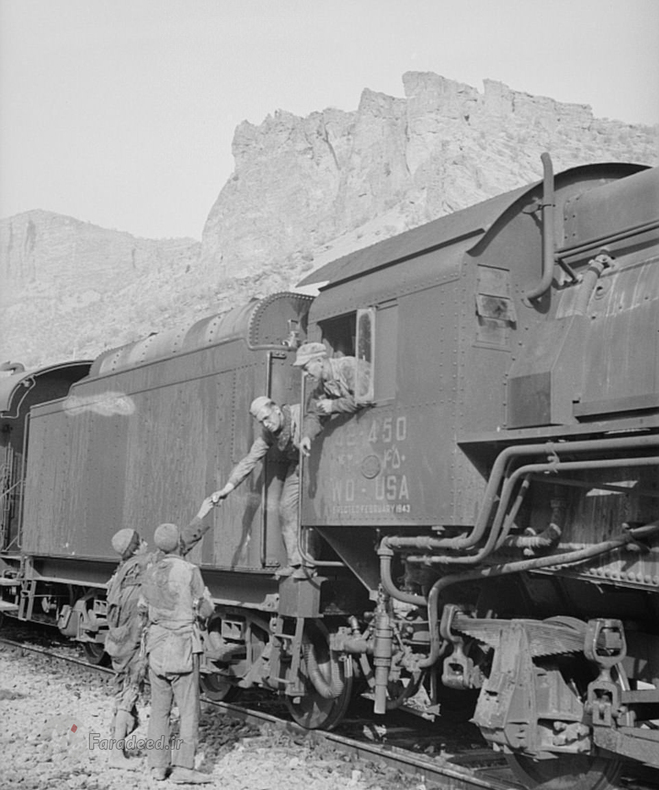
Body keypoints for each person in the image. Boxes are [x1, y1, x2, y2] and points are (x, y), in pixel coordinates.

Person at [105, 496, 216, 772]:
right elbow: (177, 548)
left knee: (131, 696)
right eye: (140, 541)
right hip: (136, 643)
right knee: (131, 694)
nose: (145, 544)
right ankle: (116, 753)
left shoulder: (119, 573)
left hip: (118, 642)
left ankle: (149, 762)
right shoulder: (146, 565)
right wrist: (202, 514)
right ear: (135, 549)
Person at [140, 522, 215, 784]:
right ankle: (184, 767)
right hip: (182, 647)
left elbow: (143, 608)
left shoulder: (148, 572)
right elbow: (205, 610)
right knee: (188, 710)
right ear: (179, 544)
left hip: (156, 647)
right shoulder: (189, 570)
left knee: (159, 709)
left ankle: (157, 766)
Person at [211, 396, 306, 578]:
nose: (266, 424)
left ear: (277, 410)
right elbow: (249, 461)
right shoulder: (269, 434)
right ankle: (296, 563)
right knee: (285, 508)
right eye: (261, 421)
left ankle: (309, 565)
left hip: (318, 461)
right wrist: (226, 489)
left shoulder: (300, 414)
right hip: (298, 466)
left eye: (267, 417)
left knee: (311, 513)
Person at [292, 342, 364, 457]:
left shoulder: (349, 367)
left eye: (306, 368)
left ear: (319, 361)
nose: (305, 374)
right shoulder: (323, 386)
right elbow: (314, 414)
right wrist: (307, 436)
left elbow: (363, 398)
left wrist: (333, 405)